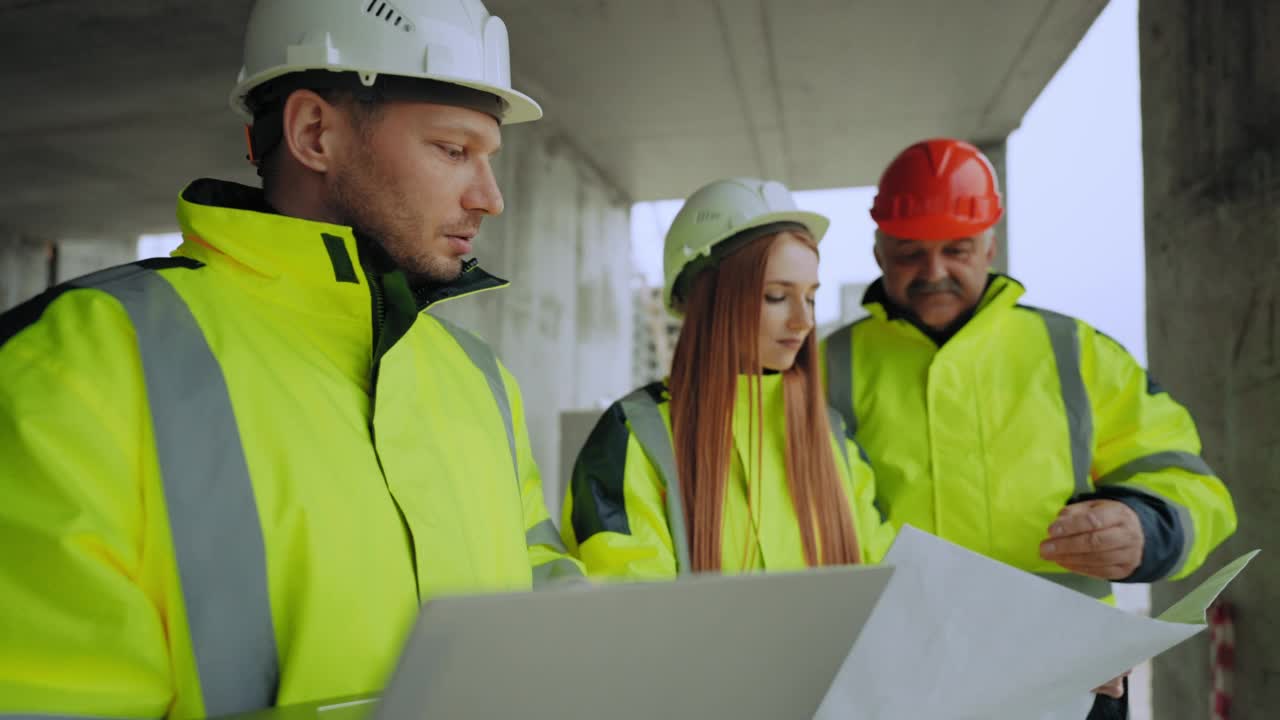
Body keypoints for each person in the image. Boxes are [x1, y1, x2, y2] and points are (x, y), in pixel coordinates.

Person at [0, 1, 580, 717]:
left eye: (490, 158)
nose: (490, 198)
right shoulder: (81, 361)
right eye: (452, 150)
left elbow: (541, 581)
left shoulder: (479, 376)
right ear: (314, 133)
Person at [822, 138, 1237, 716]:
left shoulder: (1075, 351)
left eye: (957, 249)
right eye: (909, 252)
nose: (933, 271)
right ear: (878, 248)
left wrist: (1146, 528)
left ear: (991, 244)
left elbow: (1191, 483)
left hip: (1070, 677)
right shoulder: (819, 371)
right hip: (902, 682)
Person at [563, 178, 894, 577]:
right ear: (709, 299)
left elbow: (883, 579)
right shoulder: (636, 437)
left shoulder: (833, 437)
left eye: (810, 296)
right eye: (776, 296)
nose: (804, 321)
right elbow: (633, 611)